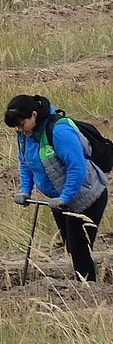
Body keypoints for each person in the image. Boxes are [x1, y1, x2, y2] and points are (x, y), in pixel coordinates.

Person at [6, 94, 109, 282]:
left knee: (80, 249)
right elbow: (25, 163)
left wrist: (66, 196)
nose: (20, 130)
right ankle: (85, 284)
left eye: (22, 124)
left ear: (34, 115)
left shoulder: (59, 131)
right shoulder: (24, 136)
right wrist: (24, 190)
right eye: (17, 128)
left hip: (88, 195)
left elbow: (76, 166)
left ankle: (90, 293)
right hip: (61, 200)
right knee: (71, 246)